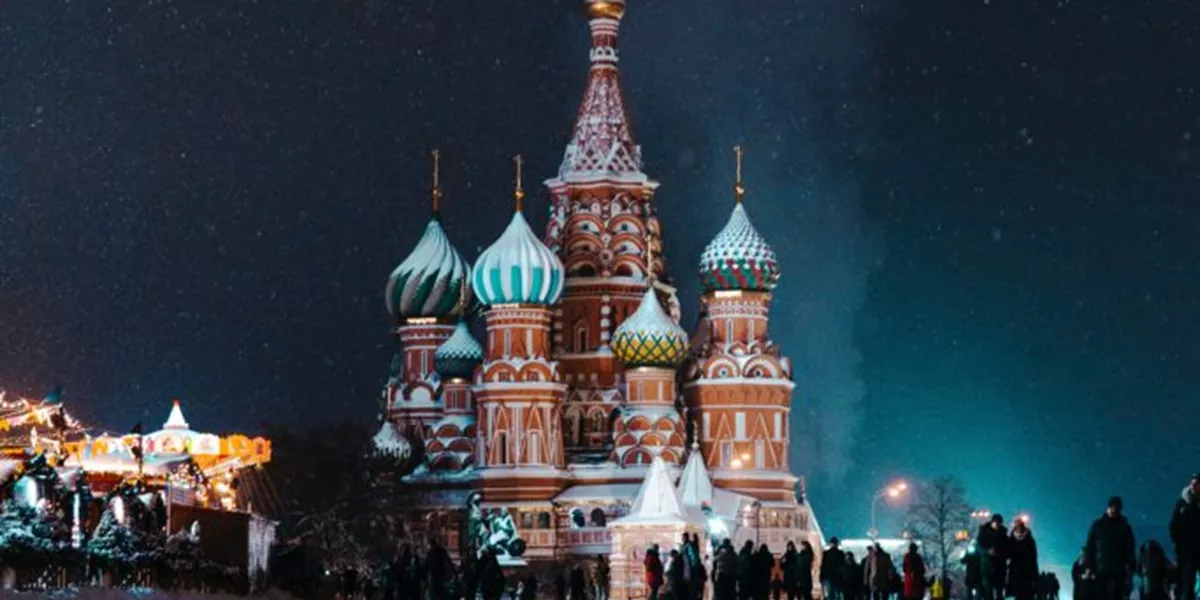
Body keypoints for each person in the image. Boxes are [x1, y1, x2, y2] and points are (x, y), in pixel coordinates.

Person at [1084, 496, 1136, 600]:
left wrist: (1131, 565)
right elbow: (1090, 547)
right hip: (1100, 570)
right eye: (1113, 507)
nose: (1114, 510)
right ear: (1108, 507)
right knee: (1101, 595)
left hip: (1117, 569)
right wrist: (1089, 566)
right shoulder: (1098, 525)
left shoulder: (1125, 527)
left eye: (1117, 508)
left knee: (1116, 595)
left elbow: (1130, 548)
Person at [1171, 475, 1200, 600]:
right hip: (1187, 552)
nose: (1195, 486)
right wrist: (1180, 544)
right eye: (1193, 483)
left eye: (1197, 484)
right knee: (1187, 585)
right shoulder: (1182, 504)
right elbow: (1174, 526)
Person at [977, 514, 1009, 600]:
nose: (997, 524)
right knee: (988, 590)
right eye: (996, 523)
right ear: (992, 522)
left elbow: (1008, 550)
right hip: (987, 565)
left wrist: (1001, 554)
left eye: (999, 523)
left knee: (999, 590)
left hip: (1000, 566)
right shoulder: (984, 533)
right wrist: (988, 552)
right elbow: (979, 548)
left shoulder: (1003, 535)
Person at [1008, 519, 1039, 600]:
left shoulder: (1029, 540)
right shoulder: (1012, 539)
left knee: (1025, 594)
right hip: (1016, 571)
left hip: (1026, 571)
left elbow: (1033, 558)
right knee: (1018, 594)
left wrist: (1035, 575)